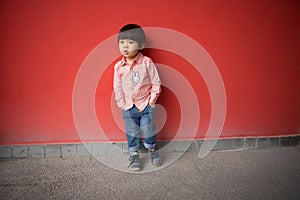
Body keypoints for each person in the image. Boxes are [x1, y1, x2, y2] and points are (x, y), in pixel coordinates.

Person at [113, 24, 161, 171]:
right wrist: (121, 103)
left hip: (146, 104)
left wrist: (152, 101)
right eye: (122, 43)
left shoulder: (147, 62)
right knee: (132, 130)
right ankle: (134, 154)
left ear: (141, 45)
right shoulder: (118, 67)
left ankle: (152, 148)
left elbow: (156, 82)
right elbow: (117, 86)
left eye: (130, 42)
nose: (125, 46)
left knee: (147, 127)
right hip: (128, 106)